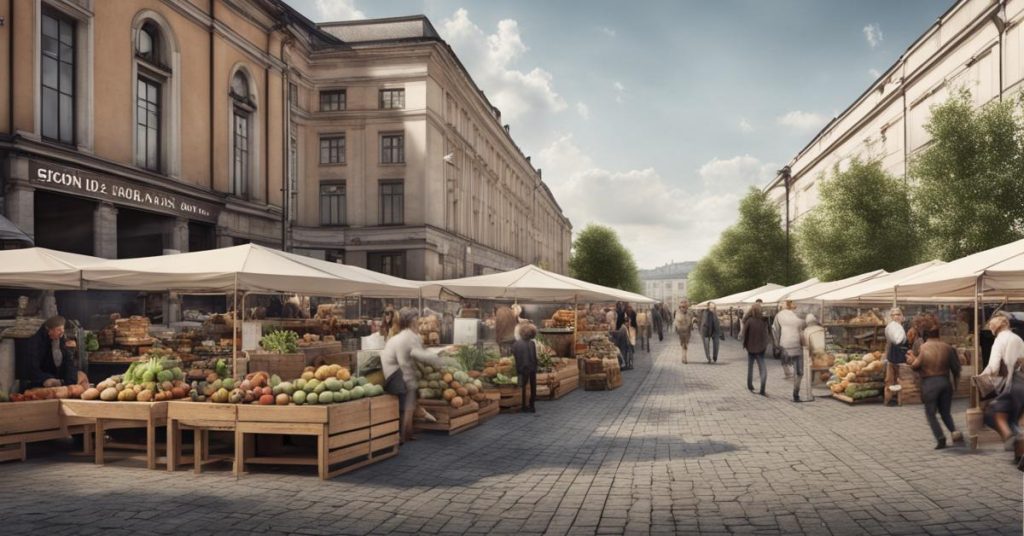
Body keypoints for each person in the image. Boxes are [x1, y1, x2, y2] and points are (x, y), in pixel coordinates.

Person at [380, 307, 447, 444]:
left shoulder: (409, 336)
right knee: (407, 401)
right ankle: (400, 436)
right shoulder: (404, 338)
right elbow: (404, 362)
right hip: (394, 375)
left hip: (399, 373)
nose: (418, 322)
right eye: (416, 319)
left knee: (410, 401)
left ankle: (407, 433)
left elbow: (418, 353)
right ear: (410, 321)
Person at [906, 316, 963, 449]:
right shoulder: (948, 347)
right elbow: (956, 369)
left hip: (930, 384)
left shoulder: (924, 347)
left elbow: (916, 366)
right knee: (945, 412)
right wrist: (955, 385)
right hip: (945, 382)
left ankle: (940, 438)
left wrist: (911, 360)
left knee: (930, 413)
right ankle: (954, 432)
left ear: (925, 334)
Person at [981, 312, 1024, 454]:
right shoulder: (1018, 338)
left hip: (1011, 383)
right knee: (1013, 417)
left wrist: (981, 377)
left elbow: (993, 367)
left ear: (995, 328)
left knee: (991, 414)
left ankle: (1015, 439)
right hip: (1021, 381)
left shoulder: (999, 340)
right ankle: (1016, 445)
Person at [15, 315, 80, 390]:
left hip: (58, 384)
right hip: (37, 384)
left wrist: (69, 380)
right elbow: (32, 367)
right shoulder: (35, 342)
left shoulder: (61, 339)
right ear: (50, 330)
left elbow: (68, 361)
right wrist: (46, 379)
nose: (61, 333)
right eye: (59, 330)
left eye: (62, 330)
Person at [772, 300, 805, 401]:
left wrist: (777, 344)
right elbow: (805, 330)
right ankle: (796, 393)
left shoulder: (779, 315)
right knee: (799, 372)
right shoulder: (801, 315)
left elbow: (775, 330)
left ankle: (789, 376)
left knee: (788, 366)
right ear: (792, 304)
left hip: (785, 345)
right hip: (798, 345)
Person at [883, 307, 909, 406]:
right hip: (891, 358)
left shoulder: (906, 328)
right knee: (889, 380)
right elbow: (888, 344)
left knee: (900, 379)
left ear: (902, 316)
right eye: (893, 315)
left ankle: (900, 400)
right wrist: (885, 356)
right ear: (891, 317)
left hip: (902, 359)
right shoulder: (890, 329)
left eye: (898, 314)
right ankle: (888, 400)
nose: (896, 317)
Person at [743, 302, 769, 396]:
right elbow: (766, 335)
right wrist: (765, 345)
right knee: (763, 369)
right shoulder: (764, 321)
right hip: (761, 348)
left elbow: (744, 334)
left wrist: (745, 345)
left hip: (750, 348)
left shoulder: (749, 320)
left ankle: (750, 385)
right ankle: (762, 388)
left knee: (750, 367)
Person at [512, 322, 539, 413]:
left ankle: (522, 405)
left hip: (520, 368)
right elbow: (534, 356)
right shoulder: (532, 343)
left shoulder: (516, 344)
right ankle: (532, 405)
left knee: (521, 387)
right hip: (531, 368)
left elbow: (513, 355)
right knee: (532, 386)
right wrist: (535, 366)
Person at [801, 314, 826, 398]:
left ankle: (811, 382)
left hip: (815, 351)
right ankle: (821, 379)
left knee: (809, 361)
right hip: (825, 350)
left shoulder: (806, 331)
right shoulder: (822, 329)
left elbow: (807, 345)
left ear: (807, 322)